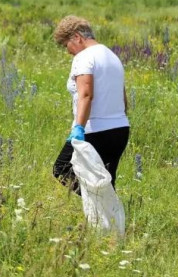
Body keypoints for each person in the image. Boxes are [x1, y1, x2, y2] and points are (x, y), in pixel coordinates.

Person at [51, 15, 130, 194]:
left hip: (95, 130)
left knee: (61, 169)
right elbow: (124, 99)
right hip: (120, 129)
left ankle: (99, 201)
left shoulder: (84, 57)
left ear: (77, 37)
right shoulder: (112, 56)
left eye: (66, 45)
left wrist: (78, 128)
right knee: (107, 181)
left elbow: (86, 95)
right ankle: (109, 218)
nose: (68, 51)